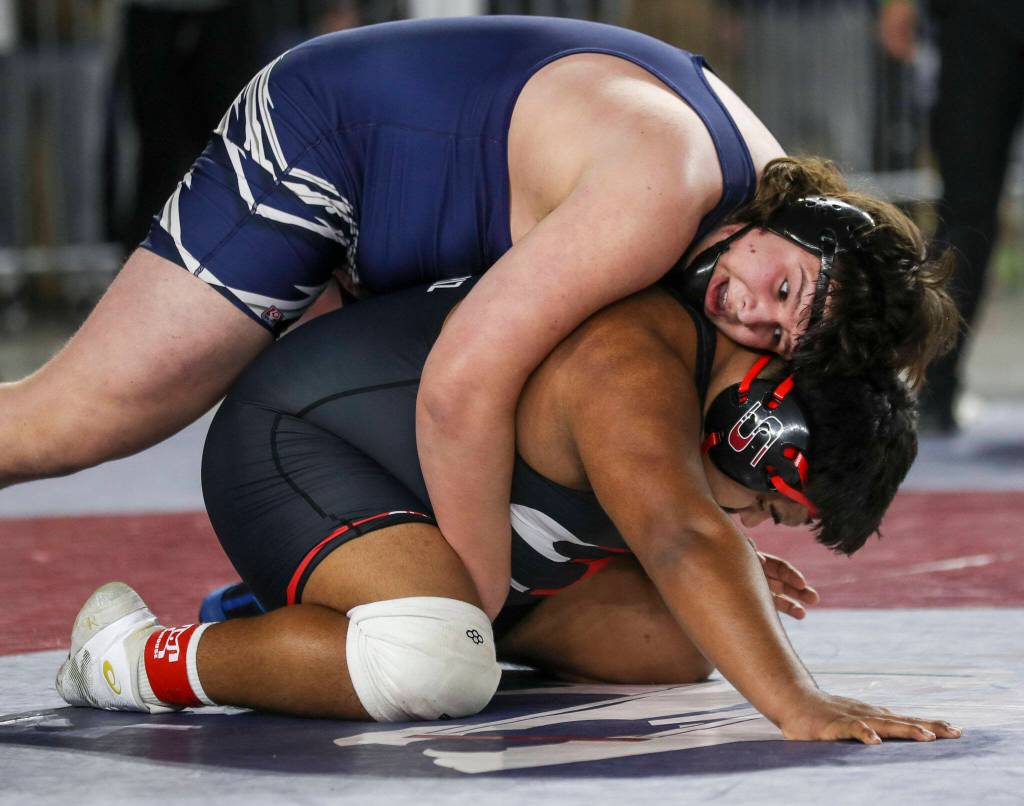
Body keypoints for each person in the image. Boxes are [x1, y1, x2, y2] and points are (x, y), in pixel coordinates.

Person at [4, 16, 956, 619]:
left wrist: (710, 533)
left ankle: (279, 609)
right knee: (72, 422)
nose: (746, 314)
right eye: (780, 291)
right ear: (793, 224)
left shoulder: (749, 230)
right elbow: (465, 383)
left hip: (407, 228)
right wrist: (476, 601)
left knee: (422, 466)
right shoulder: (667, 191)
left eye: (776, 340)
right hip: (329, 150)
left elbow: (607, 409)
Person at [56, 275, 960, 744]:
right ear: (752, 428)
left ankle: (317, 626)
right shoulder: (632, 367)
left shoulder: (681, 411)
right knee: (435, 664)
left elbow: (682, 537)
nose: (752, 524)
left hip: (426, 511)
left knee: (678, 644)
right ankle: (132, 658)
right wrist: (799, 705)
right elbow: (685, 536)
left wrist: (700, 572)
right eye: (766, 503)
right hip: (296, 447)